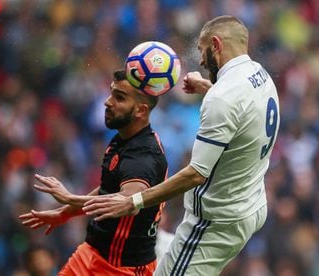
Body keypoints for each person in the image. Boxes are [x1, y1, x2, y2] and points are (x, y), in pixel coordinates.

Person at [82, 15, 281, 275]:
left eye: (201, 50)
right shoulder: (259, 74)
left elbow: (196, 174)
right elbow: (242, 110)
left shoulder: (223, 97)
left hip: (215, 222)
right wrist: (208, 88)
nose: (200, 59)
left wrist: (134, 201)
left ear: (216, 44)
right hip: (251, 203)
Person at [19, 70, 168, 275]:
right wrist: (67, 211)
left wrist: (70, 198)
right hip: (91, 252)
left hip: (121, 268)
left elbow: (127, 202)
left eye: (119, 98)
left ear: (140, 110)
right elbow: (109, 189)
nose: (107, 102)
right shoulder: (121, 139)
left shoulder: (144, 155)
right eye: (111, 93)